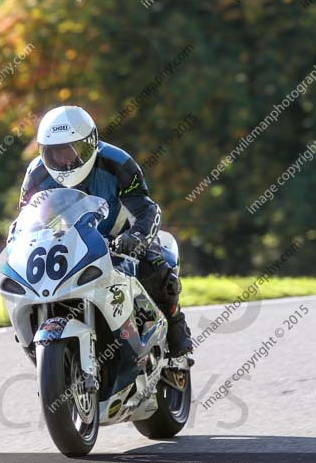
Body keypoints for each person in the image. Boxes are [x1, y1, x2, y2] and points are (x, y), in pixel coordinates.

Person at [18, 105, 192, 358]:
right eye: (55, 153)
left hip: (118, 239)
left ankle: (176, 325)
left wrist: (135, 238)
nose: (66, 160)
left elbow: (146, 209)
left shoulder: (117, 163)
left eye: (72, 149)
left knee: (155, 264)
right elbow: (25, 219)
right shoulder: (36, 173)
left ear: (91, 143)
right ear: (44, 151)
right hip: (67, 246)